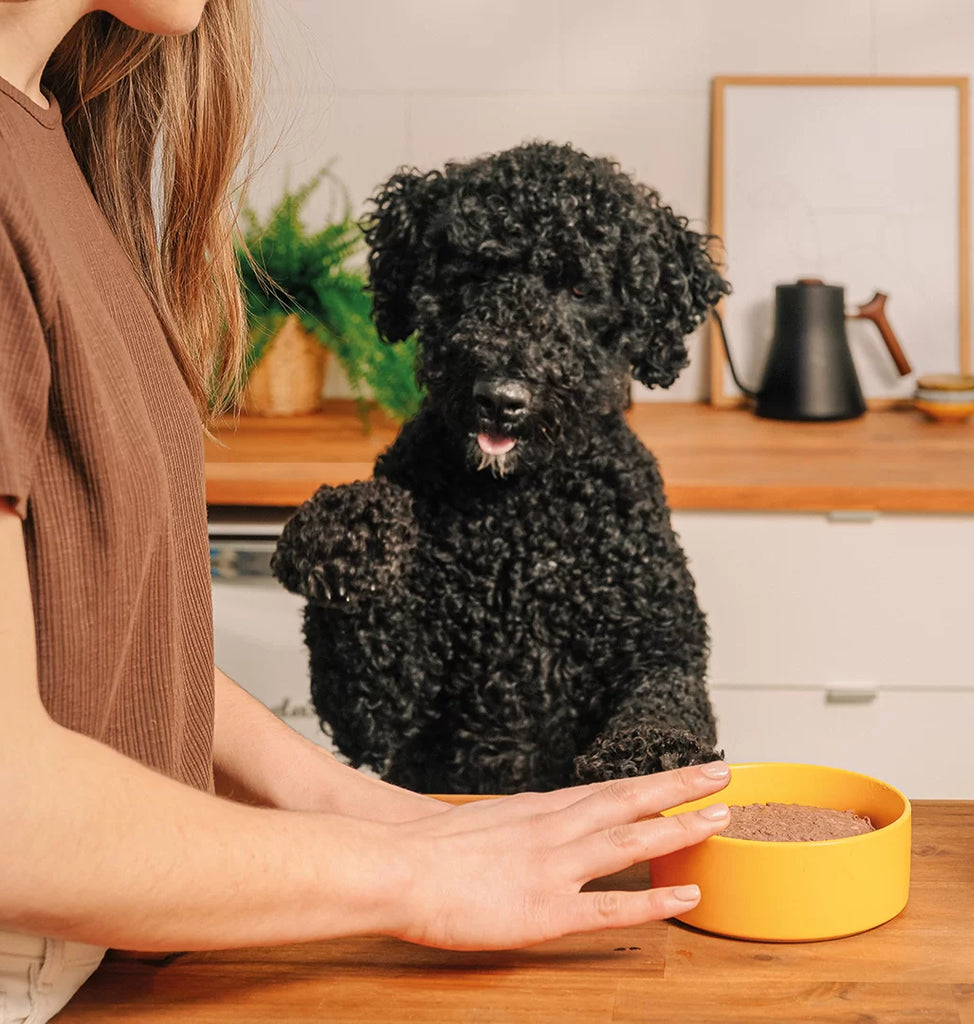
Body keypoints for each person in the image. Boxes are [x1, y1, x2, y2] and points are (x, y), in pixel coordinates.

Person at [0, 1, 732, 1020]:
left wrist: (382, 816)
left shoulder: (51, 143)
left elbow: (103, 638)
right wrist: (405, 874)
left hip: (112, 948)